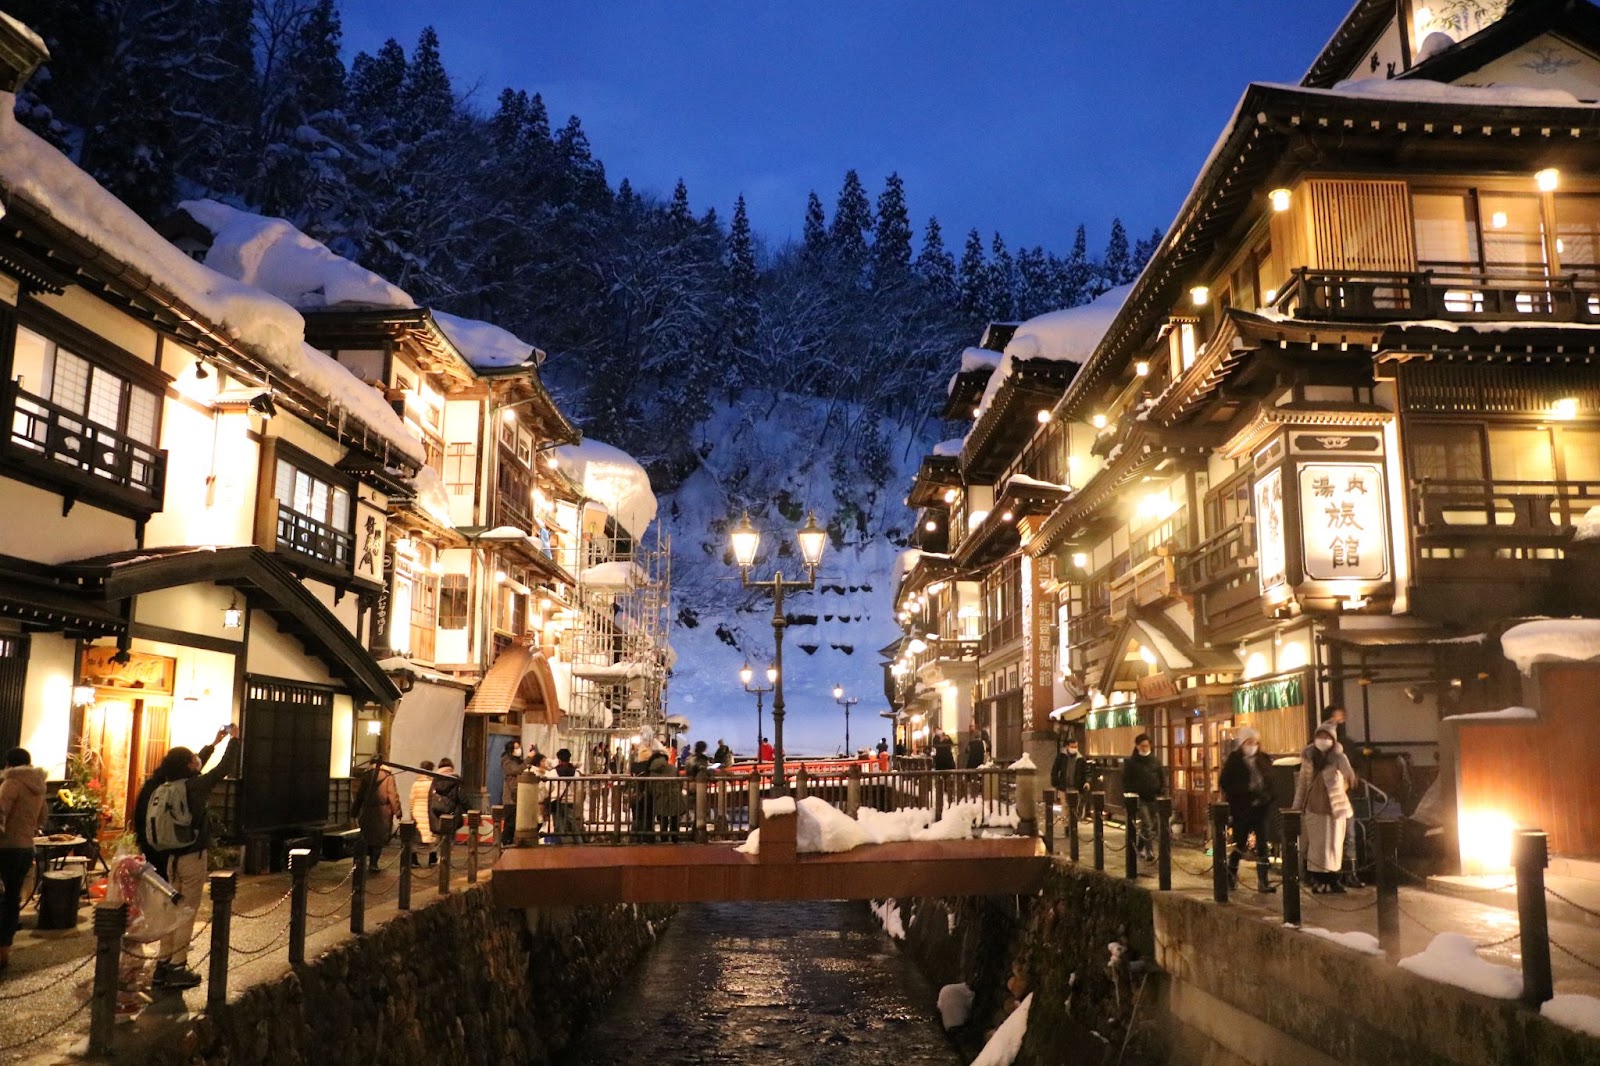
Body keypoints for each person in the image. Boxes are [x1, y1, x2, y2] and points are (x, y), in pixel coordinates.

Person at [133, 725, 238, 990]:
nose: (197, 761)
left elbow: (199, 763)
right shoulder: (196, 787)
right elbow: (222, 769)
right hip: (192, 858)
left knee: (171, 910)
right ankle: (178, 967)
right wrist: (235, 740)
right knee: (186, 911)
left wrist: (213, 742)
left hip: (171, 859)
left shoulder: (167, 785)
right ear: (189, 766)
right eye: (194, 759)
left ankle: (163, 965)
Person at [1292, 721, 1357, 894]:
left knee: (1334, 845)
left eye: (1327, 737)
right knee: (1317, 846)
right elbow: (1303, 785)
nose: (1323, 740)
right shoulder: (1308, 756)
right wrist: (1296, 807)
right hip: (1313, 806)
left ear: (1333, 739)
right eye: (1320, 736)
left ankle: (1333, 880)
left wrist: (1348, 777)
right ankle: (1319, 880)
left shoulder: (1338, 756)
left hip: (1334, 808)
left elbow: (1349, 774)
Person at [0, 748, 48, 971]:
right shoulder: (38, 786)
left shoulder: (11, 783)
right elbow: (43, 818)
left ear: (9, 763)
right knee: (12, 898)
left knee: (3, 898)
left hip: (6, 847)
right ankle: (4, 949)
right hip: (26, 847)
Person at [1219, 727, 1276, 894]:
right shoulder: (1234, 761)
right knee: (1241, 843)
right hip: (1242, 808)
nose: (1253, 746)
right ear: (1242, 744)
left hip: (1261, 808)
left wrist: (1267, 795)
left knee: (1263, 844)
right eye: (1249, 743)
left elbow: (1272, 781)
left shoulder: (1263, 759)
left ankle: (1263, 881)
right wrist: (1244, 792)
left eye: (1255, 743)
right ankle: (1231, 875)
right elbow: (1225, 783)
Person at [353, 753, 400, 871]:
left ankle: (360, 863)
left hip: (368, 809)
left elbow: (360, 795)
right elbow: (392, 795)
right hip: (383, 811)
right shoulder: (388, 776)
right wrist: (398, 812)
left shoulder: (366, 775)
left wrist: (354, 811)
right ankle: (374, 863)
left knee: (366, 836)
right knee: (378, 839)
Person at [1122, 733, 1164, 864]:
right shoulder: (1131, 762)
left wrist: (1161, 791)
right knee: (1147, 823)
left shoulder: (1155, 761)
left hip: (1153, 796)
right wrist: (1128, 793)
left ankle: (1139, 847)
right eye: (1142, 746)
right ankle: (1149, 850)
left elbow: (1161, 777)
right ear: (1137, 746)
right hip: (1139, 797)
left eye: (1147, 745)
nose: (1145, 748)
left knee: (1153, 824)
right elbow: (1125, 780)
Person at [644, 741, 686, 841]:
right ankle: (675, 837)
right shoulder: (673, 769)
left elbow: (650, 787)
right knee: (674, 819)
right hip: (674, 796)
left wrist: (655, 794)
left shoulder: (652, 772)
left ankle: (664, 837)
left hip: (660, 797)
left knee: (663, 819)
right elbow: (680, 783)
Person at [429, 757, 470, 842]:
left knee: (438, 840)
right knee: (450, 839)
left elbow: (430, 798)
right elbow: (462, 798)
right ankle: (448, 853)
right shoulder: (455, 780)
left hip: (437, 814)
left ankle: (439, 854)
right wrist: (470, 810)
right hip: (452, 814)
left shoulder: (435, 780)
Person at [408, 760, 438, 866]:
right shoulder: (433, 783)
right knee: (432, 836)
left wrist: (411, 812)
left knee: (416, 837)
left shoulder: (416, 784)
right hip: (429, 812)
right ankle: (432, 859)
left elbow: (411, 800)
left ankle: (413, 860)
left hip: (417, 812)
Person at [549, 748, 583, 841]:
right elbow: (578, 788)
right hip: (570, 800)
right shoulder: (576, 773)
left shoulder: (553, 773)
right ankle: (579, 841)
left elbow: (548, 787)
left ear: (558, 759)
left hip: (556, 800)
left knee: (559, 824)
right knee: (573, 823)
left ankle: (561, 844)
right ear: (569, 758)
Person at [499, 739, 525, 845]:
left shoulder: (517, 760)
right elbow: (517, 770)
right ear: (511, 750)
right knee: (510, 823)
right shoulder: (507, 761)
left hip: (518, 796)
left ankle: (511, 842)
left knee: (516, 822)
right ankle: (505, 842)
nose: (519, 750)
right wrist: (529, 759)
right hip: (510, 798)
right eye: (516, 748)